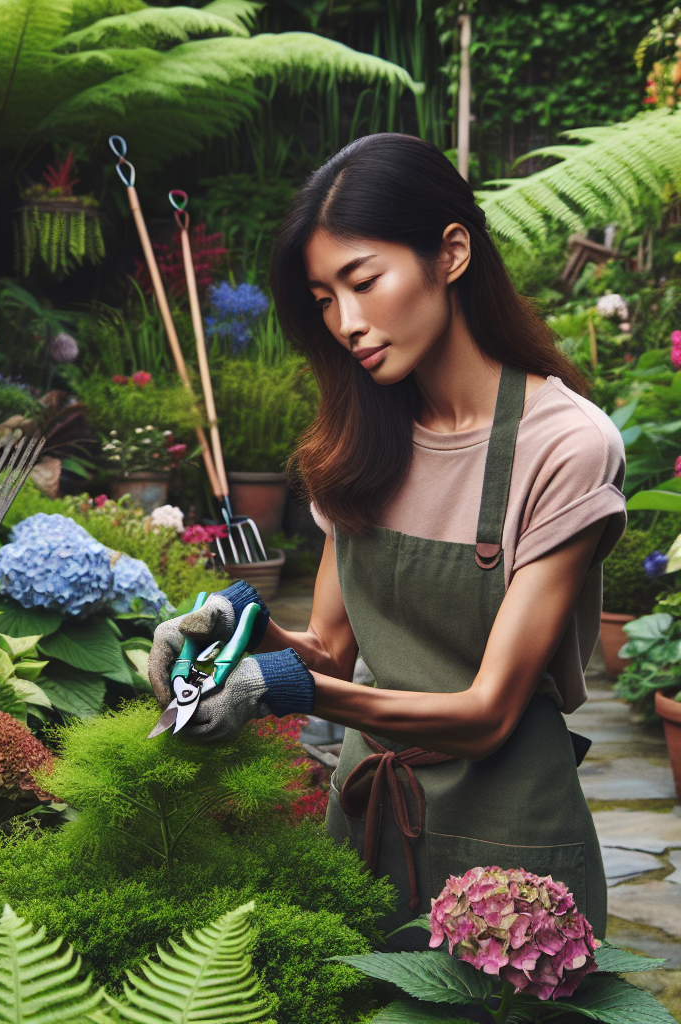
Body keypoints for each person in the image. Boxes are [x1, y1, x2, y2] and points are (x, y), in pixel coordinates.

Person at [148, 133, 625, 943]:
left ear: (451, 253)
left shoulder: (566, 444)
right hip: (366, 821)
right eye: (325, 298)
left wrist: (277, 691)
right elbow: (331, 650)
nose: (348, 322)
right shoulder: (357, 437)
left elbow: (487, 712)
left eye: (364, 281)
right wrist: (238, 633)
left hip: (510, 845)